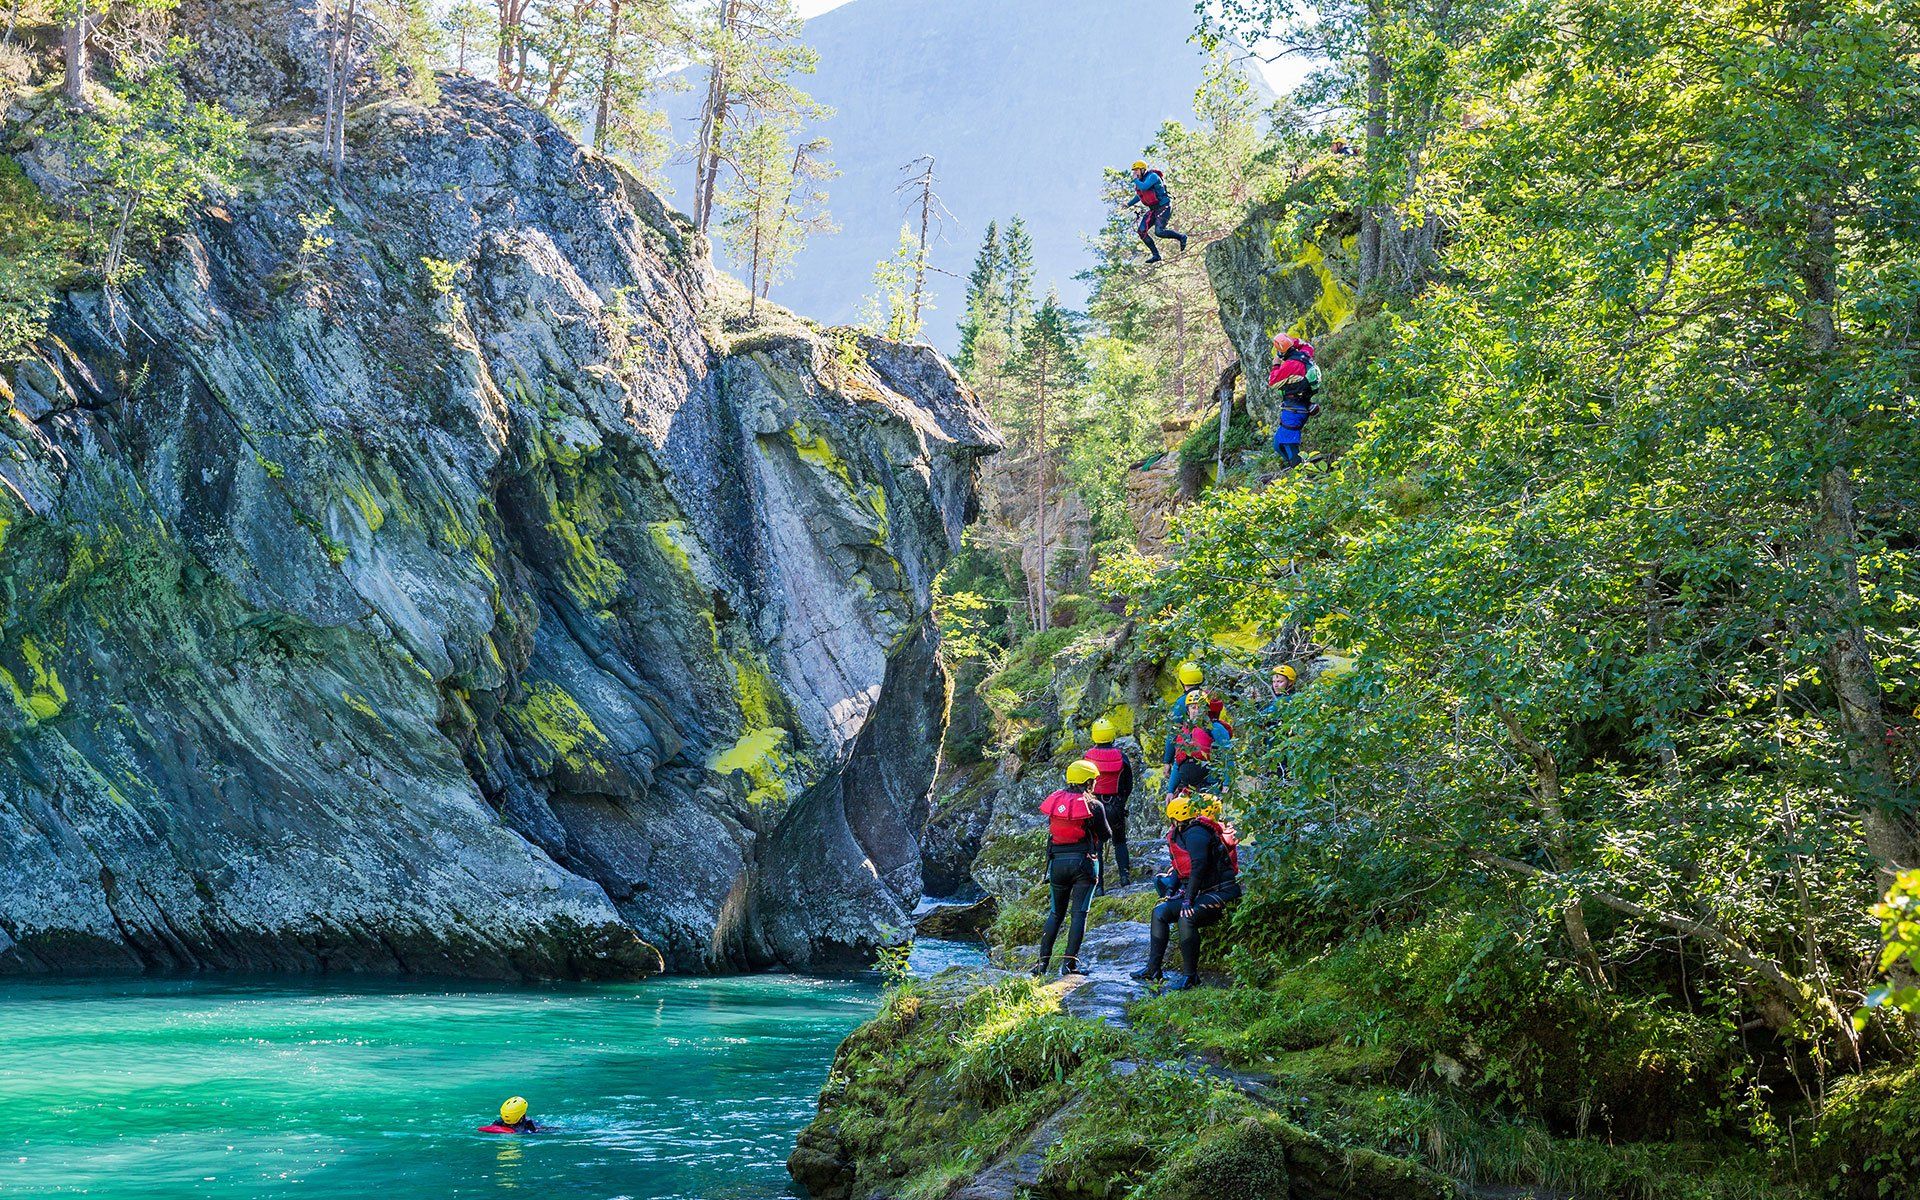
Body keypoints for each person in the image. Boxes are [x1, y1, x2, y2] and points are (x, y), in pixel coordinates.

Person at [1132, 793, 1241, 990]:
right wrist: (1176, 891)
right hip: (1202, 892)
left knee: (1186, 917)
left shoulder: (1197, 834)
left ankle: (1191, 976)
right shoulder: (1184, 831)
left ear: (1176, 818)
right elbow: (1185, 870)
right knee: (1159, 913)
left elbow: (1198, 867)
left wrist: (1188, 900)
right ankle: (1153, 969)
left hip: (1221, 891)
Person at [1033, 759, 1114, 977]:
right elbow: (1106, 835)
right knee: (1079, 914)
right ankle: (1069, 965)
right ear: (1088, 781)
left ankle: (1041, 965)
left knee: (1055, 914)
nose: (1095, 784)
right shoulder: (1094, 805)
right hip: (1083, 864)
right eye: (1094, 780)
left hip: (1057, 864)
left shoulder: (1056, 801)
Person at [1084, 717, 1136, 885]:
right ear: (1112, 735)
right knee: (1120, 841)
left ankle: (1098, 886)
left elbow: (1082, 783)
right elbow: (1128, 784)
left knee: (1096, 846)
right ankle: (1124, 877)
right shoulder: (1121, 757)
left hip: (1095, 806)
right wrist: (1122, 803)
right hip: (1116, 806)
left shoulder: (1088, 757)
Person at [1269, 333, 1321, 469]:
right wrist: (1292, 341)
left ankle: (1301, 473)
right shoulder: (1305, 354)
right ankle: (1300, 469)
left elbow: (1273, 382)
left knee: (1288, 444)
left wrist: (1276, 364)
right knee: (1277, 444)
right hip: (1300, 406)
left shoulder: (1291, 365)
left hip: (1294, 410)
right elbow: (1307, 345)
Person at [1126, 161, 1188, 264]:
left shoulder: (1152, 176)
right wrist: (1128, 204)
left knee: (1159, 232)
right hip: (1153, 209)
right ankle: (1156, 255)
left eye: (1136, 170)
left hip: (1164, 206)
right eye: (1134, 171)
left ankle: (1181, 237)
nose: (1135, 173)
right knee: (1141, 231)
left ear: (1142, 169)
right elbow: (1140, 195)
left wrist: (1135, 180)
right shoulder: (1140, 182)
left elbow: (1145, 187)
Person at [1163, 691, 1215, 795]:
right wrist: (1170, 791)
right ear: (1188, 710)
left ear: (1206, 710)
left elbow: (1227, 756)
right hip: (1186, 786)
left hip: (1208, 784)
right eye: (1193, 707)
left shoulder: (1214, 729)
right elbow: (1178, 763)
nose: (1196, 711)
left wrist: (1225, 785)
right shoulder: (1182, 732)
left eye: (1200, 707)